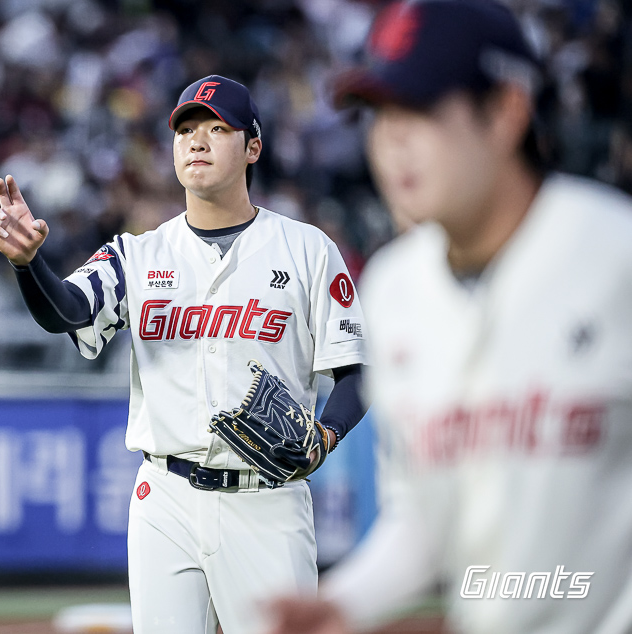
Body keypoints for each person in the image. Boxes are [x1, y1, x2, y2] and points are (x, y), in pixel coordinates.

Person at [267, 1, 632, 633]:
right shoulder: (393, 290)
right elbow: (422, 522)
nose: (392, 141)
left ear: (506, 111)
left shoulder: (614, 257)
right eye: (380, 115)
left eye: (422, 110)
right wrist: (342, 601)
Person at [0, 74, 369, 634]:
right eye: (186, 129)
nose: (198, 141)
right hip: (164, 496)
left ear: (253, 147)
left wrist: (326, 436)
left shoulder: (307, 249)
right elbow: (67, 311)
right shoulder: (138, 254)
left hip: (266, 499)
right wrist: (28, 264)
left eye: (219, 129)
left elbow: (356, 374)